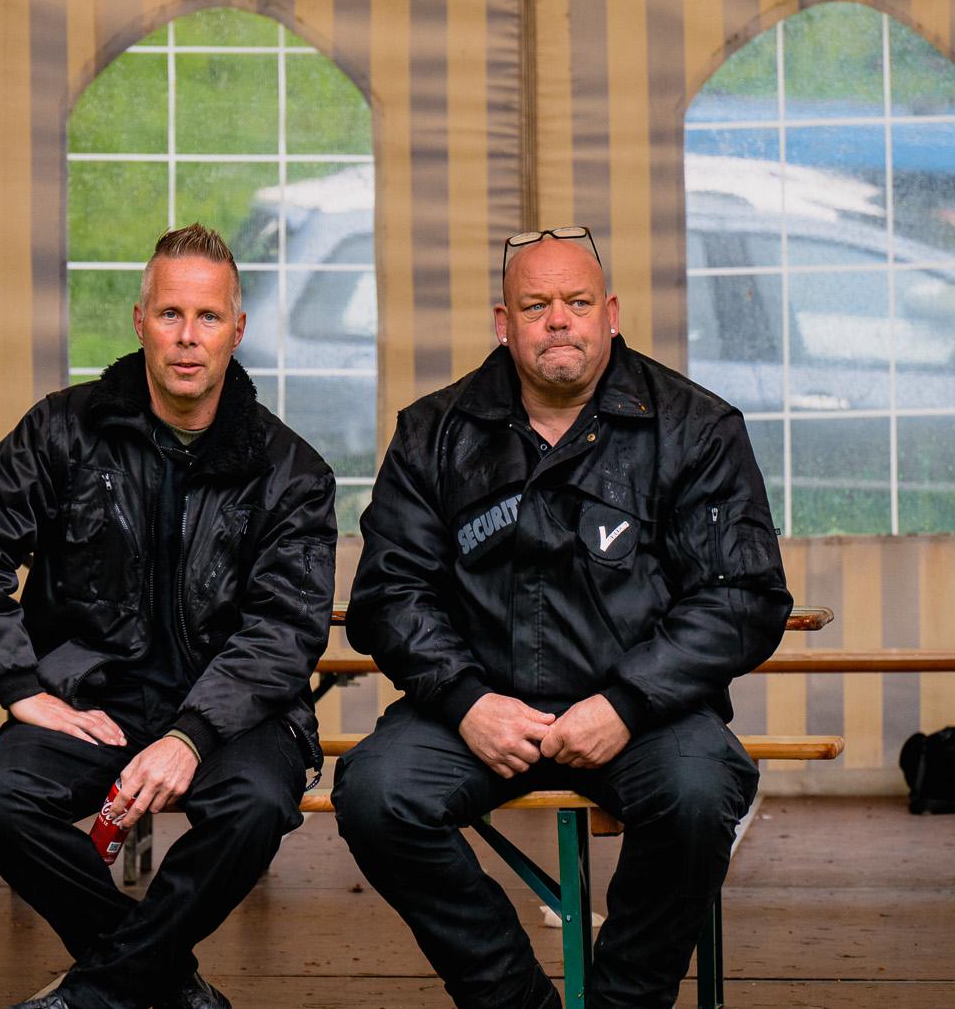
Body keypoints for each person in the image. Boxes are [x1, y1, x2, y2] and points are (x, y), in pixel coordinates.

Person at [334, 225, 794, 1009]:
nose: (558, 320)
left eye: (577, 302)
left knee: (699, 790)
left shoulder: (695, 427)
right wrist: (468, 702)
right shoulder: (434, 432)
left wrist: (626, 701)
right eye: (535, 304)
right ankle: (513, 1000)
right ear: (502, 322)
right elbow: (388, 594)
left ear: (610, 314)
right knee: (376, 793)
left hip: (645, 719)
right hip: (474, 717)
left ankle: (623, 1002)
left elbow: (743, 595)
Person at [0, 224, 338, 1009]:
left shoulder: (290, 470)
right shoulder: (63, 430)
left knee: (257, 805)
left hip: (237, 713)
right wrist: (20, 685)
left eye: (208, 316)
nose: (188, 337)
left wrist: (192, 734)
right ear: (139, 320)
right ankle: (168, 984)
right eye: (170, 314)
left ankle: (99, 993)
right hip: (95, 699)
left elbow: (284, 629)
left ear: (237, 329)